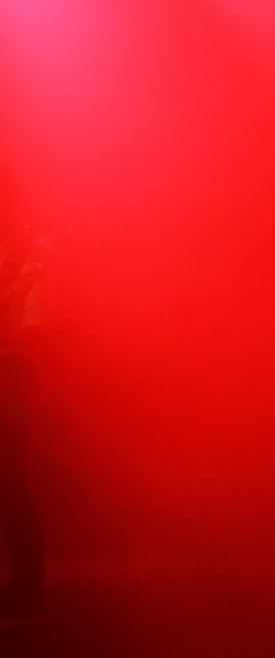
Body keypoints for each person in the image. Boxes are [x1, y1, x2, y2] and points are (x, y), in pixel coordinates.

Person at [0, 162, 50, 623]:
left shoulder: (34, 250)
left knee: (11, 479)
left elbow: (35, 326)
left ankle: (29, 585)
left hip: (12, 373)